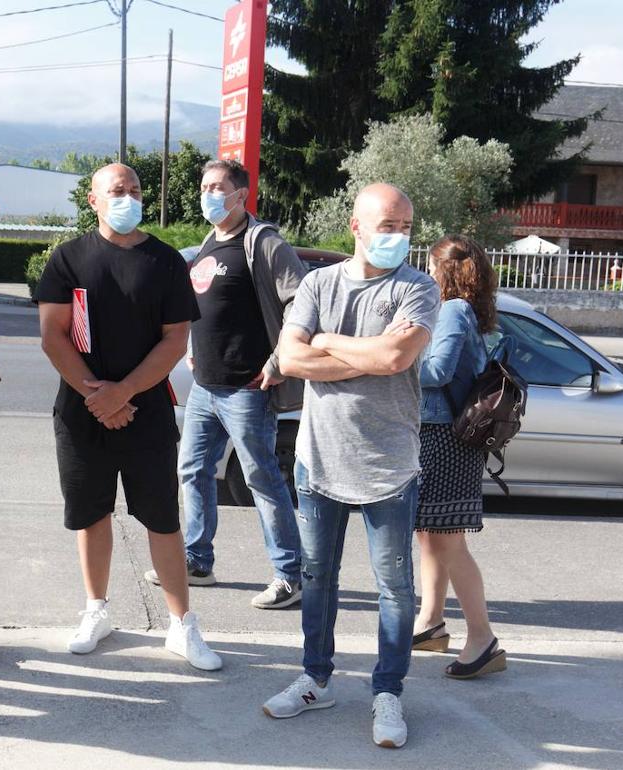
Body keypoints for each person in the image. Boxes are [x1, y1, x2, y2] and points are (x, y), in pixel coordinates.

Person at [267, 183, 440, 748]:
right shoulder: (319, 282)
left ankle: (387, 692)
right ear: (356, 226)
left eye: (406, 227)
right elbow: (290, 358)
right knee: (317, 580)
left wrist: (326, 341)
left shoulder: (418, 288)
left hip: (389, 468)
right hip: (318, 463)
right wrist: (357, 356)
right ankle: (316, 678)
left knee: (395, 588)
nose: (398, 237)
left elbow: (395, 357)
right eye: (387, 225)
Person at [34, 163, 222, 671]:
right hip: (81, 411)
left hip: (148, 411)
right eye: (117, 191)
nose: (128, 198)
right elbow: (53, 335)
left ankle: (182, 625)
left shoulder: (163, 261)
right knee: (91, 514)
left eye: (135, 190)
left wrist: (124, 393)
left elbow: (174, 340)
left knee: (162, 518)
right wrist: (99, 395)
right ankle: (96, 611)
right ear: (93, 200)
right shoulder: (68, 260)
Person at [143, 159, 306, 610]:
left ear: (241, 195)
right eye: (204, 186)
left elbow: (301, 304)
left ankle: (290, 575)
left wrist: (278, 362)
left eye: (218, 187)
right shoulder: (210, 242)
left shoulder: (264, 243)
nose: (208, 194)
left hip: (247, 389)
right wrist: (194, 347)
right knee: (192, 470)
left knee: (262, 479)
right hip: (206, 387)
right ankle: (198, 560)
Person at [410, 234, 507, 679]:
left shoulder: (451, 310)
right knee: (431, 534)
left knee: (447, 539)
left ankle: (483, 638)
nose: (427, 273)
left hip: (444, 441)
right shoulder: (465, 310)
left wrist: (394, 359)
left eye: (431, 266)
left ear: (445, 272)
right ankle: (430, 623)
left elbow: (437, 371)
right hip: (444, 437)